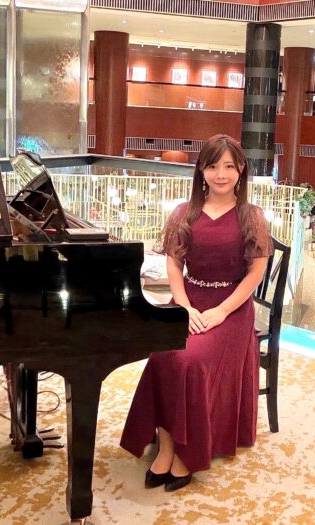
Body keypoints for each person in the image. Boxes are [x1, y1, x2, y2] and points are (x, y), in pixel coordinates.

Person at [120, 134, 274, 492]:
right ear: (201, 170)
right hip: (189, 300)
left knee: (191, 361)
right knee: (162, 356)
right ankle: (168, 446)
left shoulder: (251, 216)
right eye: (212, 166)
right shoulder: (184, 212)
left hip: (232, 309)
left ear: (241, 170)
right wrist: (185, 306)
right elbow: (174, 264)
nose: (220, 174)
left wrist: (221, 311)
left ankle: (187, 454)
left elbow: (256, 273)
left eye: (228, 166)